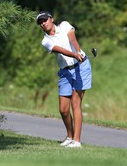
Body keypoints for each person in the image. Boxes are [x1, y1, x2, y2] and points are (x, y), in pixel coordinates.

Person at [36, 11, 92, 148]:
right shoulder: (45, 41)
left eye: (45, 20)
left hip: (81, 67)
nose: (43, 23)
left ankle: (77, 141)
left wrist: (78, 51)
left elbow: (72, 38)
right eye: (40, 22)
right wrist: (74, 54)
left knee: (75, 103)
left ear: (51, 19)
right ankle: (70, 136)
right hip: (65, 72)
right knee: (63, 109)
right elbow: (60, 50)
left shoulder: (65, 25)